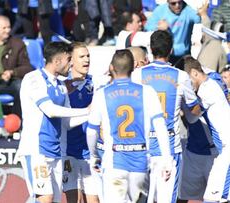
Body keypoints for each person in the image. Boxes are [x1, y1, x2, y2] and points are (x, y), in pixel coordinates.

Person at [86, 49, 172, 203]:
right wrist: (167, 159)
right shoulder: (147, 92)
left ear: (112, 67)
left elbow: (91, 131)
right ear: (133, 67)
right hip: (140, 162)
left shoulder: (101, 94)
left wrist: (94, 156)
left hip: (114, 162)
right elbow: (160, 127)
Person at [131, 30, 201, 203]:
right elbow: (195, 109)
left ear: (151, 49)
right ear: (170, 50)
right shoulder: (181, 76)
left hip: (142, 148)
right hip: (168, 149)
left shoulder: (138, 74)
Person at [17, 42, 89, 203]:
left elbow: (67, 122)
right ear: (57, 61)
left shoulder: (61, 86)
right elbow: (50, 110)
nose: (71, 63)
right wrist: (87, 111)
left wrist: (93, 114)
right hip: (36, 150)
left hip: (57, 152)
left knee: (54, 200)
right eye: (68, 59)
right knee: (45, 198)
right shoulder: (33, 79)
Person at [183, 56, 230, 203]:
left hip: (227, 150)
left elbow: (193, 116)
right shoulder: (210, 84)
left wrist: (182, 102)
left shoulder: (207, 90)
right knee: (211, 197)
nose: (187, 86)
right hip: (223, 150)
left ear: (195, 73)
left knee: (214, 198)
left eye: (187, 81)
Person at [62, 42, 99, 203]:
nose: (86, 60)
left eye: (88, 56)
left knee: (94, 200)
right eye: (82, 57)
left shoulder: (96, 83)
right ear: (71, 61)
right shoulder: (63, 87)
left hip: (90, 153)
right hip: (69, 152)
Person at [0, 15, 32, 119]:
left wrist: (12, 72)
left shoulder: (18, 44)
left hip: (10, 82)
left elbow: (27, 67)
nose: (7, 30)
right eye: (4, 28)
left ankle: (16, 121)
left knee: (21, 87)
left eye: (9, 27)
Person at [144, 0, 208, 64]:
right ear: (168, 2)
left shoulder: (188, 10)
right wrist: (158, 27)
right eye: (173, 3)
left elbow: (199, 20)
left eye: (180, 2)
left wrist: (203, 13)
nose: (177, 6)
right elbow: (147, 27)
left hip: (183, 55)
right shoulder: (160, 11)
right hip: (165, 54)